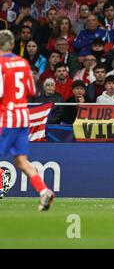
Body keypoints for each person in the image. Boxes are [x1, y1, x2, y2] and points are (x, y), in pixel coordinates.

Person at [0, 29, 55, 210]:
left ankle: (0, 185)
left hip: (7, 118)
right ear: (13, 45)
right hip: (23, 118)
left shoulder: (0, 63)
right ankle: (44, 191)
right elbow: (32, 91)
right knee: (21, 162)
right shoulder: (24, 63)